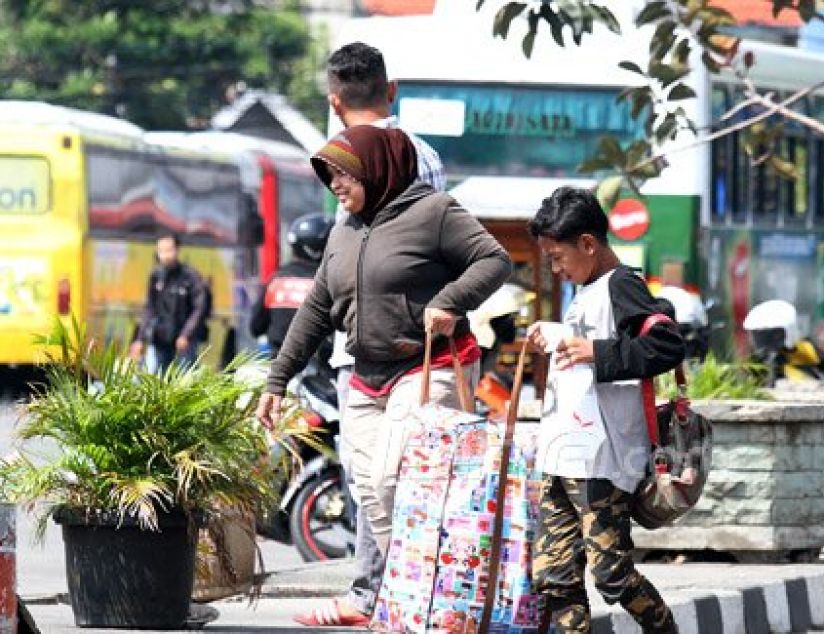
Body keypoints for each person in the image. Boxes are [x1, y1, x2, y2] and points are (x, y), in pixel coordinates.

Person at [254, 125, 510, 628]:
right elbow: (316, 307)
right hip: (365, 376)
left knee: (399, 479)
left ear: (376, 166)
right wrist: (277, 381)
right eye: (328, 176)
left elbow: (493, 259)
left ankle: (432, 599)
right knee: (370, 492)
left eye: (343, 173)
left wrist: (449, 302)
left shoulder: (433, 212)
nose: (335, 185)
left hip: (428, 366)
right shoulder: (344, 229)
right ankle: (413, 597)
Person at [323, 42, 451, 624]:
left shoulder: (340, 162)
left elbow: (346, 267)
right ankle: (384, 590)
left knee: (377, 477)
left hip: (375, 348)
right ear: (390, 90)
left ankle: (384, 591)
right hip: (421, 344)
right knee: (393, 477)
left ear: (334, 101)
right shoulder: (426, 156)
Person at [526, 187, 683, 634]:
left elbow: (666, 344)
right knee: (554, 575)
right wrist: (560, 336)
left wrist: (595, 351)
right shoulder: (588, 290)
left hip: (600, 460)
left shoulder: (621, 284)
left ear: (589, 244)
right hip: (561, 458)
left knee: (611, 573)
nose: (556, 269)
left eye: (558, 257)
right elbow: (589, 345)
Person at [248, 213, 333, 357]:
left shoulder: (276, 280)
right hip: (321, 366)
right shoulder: (329, 282)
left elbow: (256, 327)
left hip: (278, 365)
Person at [129, 233, 209, 371]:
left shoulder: (190, 276)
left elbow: (199, 308)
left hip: (184, 340)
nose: (165, 255)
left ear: (177, 250)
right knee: (152, 377)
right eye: (161, 251)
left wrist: (186, 334)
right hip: (160, 338)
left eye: (169, 250)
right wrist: (139, 339)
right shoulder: (156, 276)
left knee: (184, 380)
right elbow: (150, 308)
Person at [742, 299, 824, 386]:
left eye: (773, 334)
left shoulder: (807, 348)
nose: (764, 339)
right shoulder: (756, 361)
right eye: (758, 334)